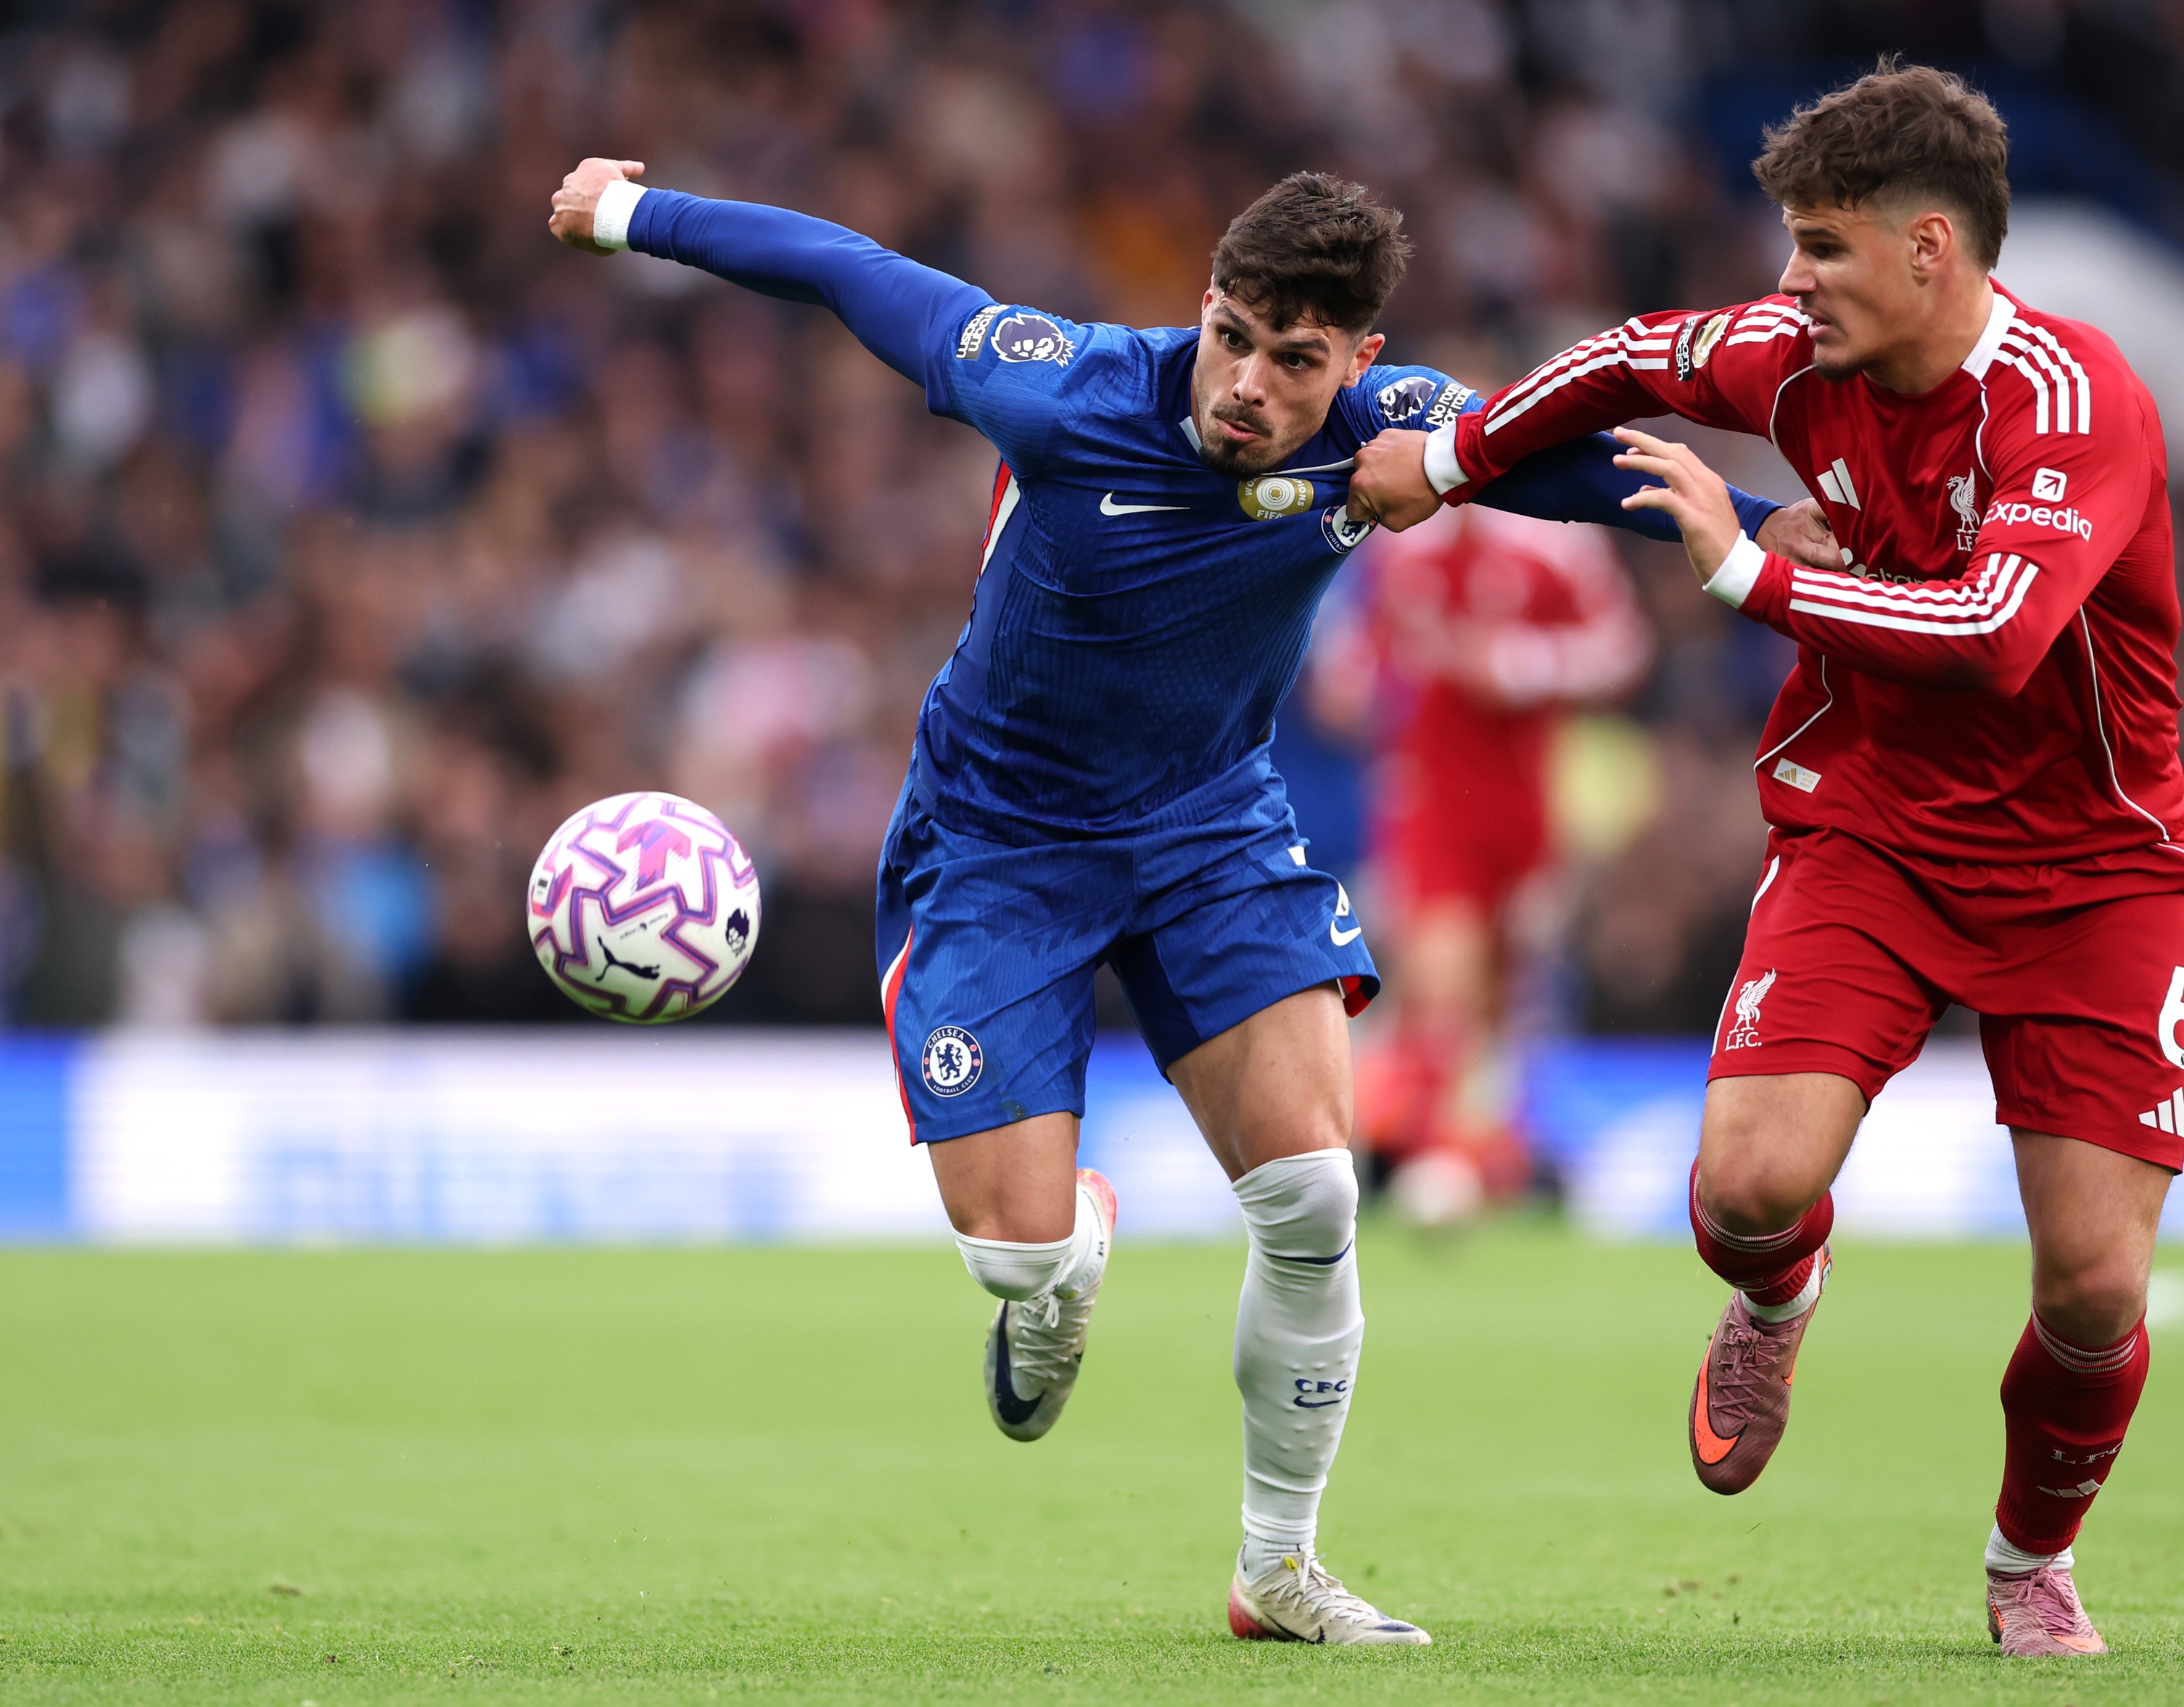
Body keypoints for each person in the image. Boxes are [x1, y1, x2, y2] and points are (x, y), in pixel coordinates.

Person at [548, 160, 1812, 1644]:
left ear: (1354, 361)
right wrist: (635, 215)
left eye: (1296, 361)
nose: (1251, 386)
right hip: (997, 843)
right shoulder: (1063, 388)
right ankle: (1062, 1249)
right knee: (1012, 1250)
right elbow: (849, 268)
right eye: (1233, 337)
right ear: (1202, 311)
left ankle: (1276, 1567)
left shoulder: (1390, 430)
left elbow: (1569, 458)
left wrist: (1746, 520)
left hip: (1210, 824)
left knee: (1314, 1197)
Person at [1353, 63, 2184, 1659]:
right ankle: (1774, 1301)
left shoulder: (2073, 404)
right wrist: (1457, 461)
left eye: (1821, 248)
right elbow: (1624, 358)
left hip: (2096, 873)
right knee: (1743, 1190)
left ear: (1930, 251)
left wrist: (1743, 567)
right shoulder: (1791, 352)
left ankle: (2029, 1558)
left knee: (2092, 1286)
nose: (1788, 282)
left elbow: (1996, 636)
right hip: (1868, 829)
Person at [1352, 504, 1651, 1219]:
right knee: (1441, 970)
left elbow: (1624, 647)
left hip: (1523, 799)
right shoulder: (1395, 536)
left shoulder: (1558, 537)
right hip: (1429, 791)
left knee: (1501, 988)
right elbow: (1356, 659)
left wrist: (1520, 665)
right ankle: (1427, 1152)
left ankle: (1473, 1150)